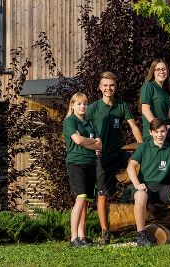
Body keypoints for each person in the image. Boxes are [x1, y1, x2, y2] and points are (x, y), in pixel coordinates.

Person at [85, 71, 143, 245]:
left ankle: (144, 218)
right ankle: (105, 232)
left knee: (142, 171)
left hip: (121, 152)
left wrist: (141, 144)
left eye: (111, 85)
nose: (108, 88)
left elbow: (133, 125)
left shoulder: (121, 105)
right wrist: (92, 145)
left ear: (115, 87)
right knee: (103, 194)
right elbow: (84, 128)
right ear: (100, 87)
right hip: (102, 156)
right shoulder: (93, 108)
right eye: (105, 85)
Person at [127, 118, 170, 246]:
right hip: (146, 187)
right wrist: (137, 184)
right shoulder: (144, 147)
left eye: (162, 131)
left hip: (163, 188)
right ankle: (141, 236)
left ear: (167, 132)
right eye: (156, 132)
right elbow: (131, 166)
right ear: (151, 133)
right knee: (140, 195)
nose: (160, 135)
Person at [63, 92, 102, 247]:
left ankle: (82, 236)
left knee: (85, 201)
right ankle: (74, 239)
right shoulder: (69, 121)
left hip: (90, 163)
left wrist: (88, 141)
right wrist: (91, 142)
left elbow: (100, 145)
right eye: (79, 104)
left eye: (85, 103)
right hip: (76, 163)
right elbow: (77, 140)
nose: (82, 106)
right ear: (72, 105)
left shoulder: (90, 123)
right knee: (80, 198)